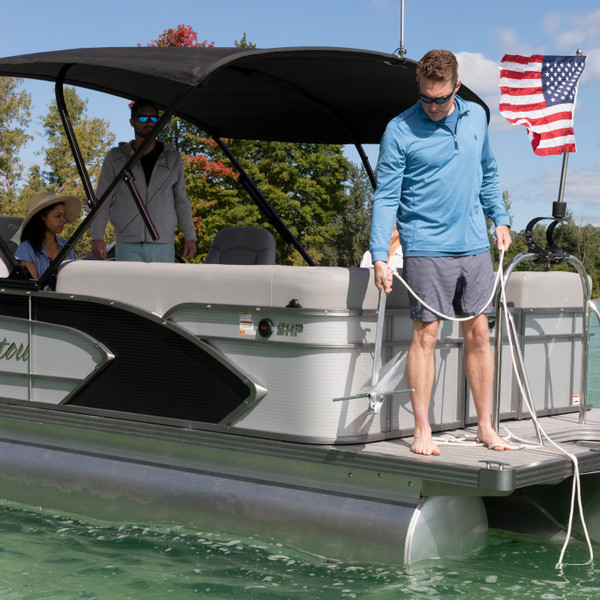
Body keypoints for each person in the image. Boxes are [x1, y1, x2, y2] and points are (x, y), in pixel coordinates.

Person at [369, 49, 512, 456]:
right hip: (426, 246)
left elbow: (488, 172)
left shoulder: (477, 117)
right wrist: (379, 254)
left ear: (457, 86)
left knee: (479, 334)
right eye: (426, 97)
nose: (432, 106)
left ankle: (485, 426)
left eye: (441, 98)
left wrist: (500, 219)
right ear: (419, 86)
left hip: (474, 246)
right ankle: (422, 430)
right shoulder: (399, 129)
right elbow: (386, 196)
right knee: (426, 335)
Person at [91, 99, 197, 262]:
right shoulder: (116, 157)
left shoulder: (172, 157)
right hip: (127, 243)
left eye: (154, 118)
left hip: (164, 244)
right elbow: (103, 201)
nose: (149, 122)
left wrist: (190, 236)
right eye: (142, 118)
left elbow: (181, 200)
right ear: (132, 122)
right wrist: (97, 236)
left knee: (163, 281)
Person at [14, 191, 81, 280]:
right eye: (58, 216)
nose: (63, 220)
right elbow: (34, 286)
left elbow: (75, 278)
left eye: (63, 215)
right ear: (42, 217)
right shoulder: (26, 249)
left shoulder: (67, 246)